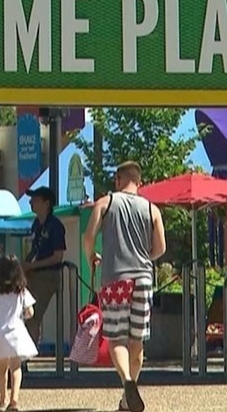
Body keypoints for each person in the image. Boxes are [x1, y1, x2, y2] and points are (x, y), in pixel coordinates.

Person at [82, 161, 166, 412]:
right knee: (137, 340)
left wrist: (92, 256)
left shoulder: (105, 203)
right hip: (143, 278)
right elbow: (160, 248)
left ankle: (127, 382)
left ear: (118, 179)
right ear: (139, 182)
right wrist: (143, 257)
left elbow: (88, 237)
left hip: (114, 277)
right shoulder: (152, 209)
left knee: (117, 338)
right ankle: (126, 398)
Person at [0, 256, 37, 412]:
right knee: (16, 368)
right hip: (17, 332)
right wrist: (23, 316)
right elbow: (30, 312)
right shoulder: (21, 292)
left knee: (1, 370)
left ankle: (2, 399)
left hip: (0, 334)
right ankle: (14, 400)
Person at [21, 187, 67, 356]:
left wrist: (32, 266)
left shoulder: (55, 226)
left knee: (33, 316)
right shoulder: (35, 225)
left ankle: (26, 356)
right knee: (24, 316)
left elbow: (57, 257)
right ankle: (23, 355)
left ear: (47, 203)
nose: (31, 202)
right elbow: (32, 249)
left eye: (35, 199)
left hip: (47, 276)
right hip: (32, 275)